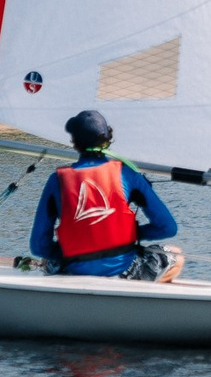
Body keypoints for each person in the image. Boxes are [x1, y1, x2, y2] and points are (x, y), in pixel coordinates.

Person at [27, 111, 184, 280]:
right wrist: (130, 233)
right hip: (123, 270)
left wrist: (69, 250)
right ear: (107, 140)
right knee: (177, 255)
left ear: (74, 142)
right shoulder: (127, 174)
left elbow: (38, 247)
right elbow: (168, 227)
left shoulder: (56, 180)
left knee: (45, 260)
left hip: (73, 269)